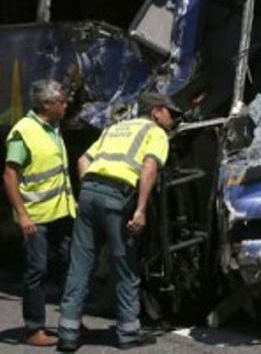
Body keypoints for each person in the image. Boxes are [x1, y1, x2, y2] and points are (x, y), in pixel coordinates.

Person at [57, 92, 180, 352]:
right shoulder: (156, 133)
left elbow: (82, 160)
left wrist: (89, 189)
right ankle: (127, 333)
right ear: (157, 112)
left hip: (89, 193)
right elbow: (149, 167)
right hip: (117, 198)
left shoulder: (115, 128)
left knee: (80, 264)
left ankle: (68, 332)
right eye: (171, 112)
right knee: (124, 264)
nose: (173, 118)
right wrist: (141, 209)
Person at [3, 79, 77, 347]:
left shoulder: (53, 127)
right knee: (37, 270)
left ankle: (69, 323)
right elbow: (10, 175)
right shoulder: (24, 131)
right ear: (46, 104)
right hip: (36, 217)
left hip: (61, 212)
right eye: (62, 101)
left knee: (71, 264)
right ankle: (34, 328)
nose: (66, 105)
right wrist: (22, 215)